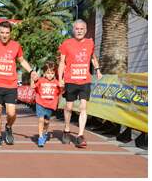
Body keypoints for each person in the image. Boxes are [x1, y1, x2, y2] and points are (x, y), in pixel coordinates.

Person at [58, 19, 103, 148]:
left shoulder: (90, 43)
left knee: (83, 107)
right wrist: (60, 78)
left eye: (81, 29)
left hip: (85, 80)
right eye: (77, 29)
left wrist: (98, 70)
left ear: (85, 30)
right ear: (73, 30)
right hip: (70, 80)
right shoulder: (67, 43)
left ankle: (80, 135)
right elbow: (62, 62)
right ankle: (66, 129)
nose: (79, 31)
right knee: (69, 108)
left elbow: (93, 58)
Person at [31, 61, 61, 147]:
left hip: (50, 104)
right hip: (40, 103)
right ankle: (40, 137)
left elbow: (60, 92)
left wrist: (62, 84)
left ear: (55, 73)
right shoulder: (40, 80)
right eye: (48, 73)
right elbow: (33, 86)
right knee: (41, 119)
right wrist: (32, 78)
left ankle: (45, 132)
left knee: (47, 121)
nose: (50, 75)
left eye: (52, 73)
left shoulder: (56, 82)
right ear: (44, 73)